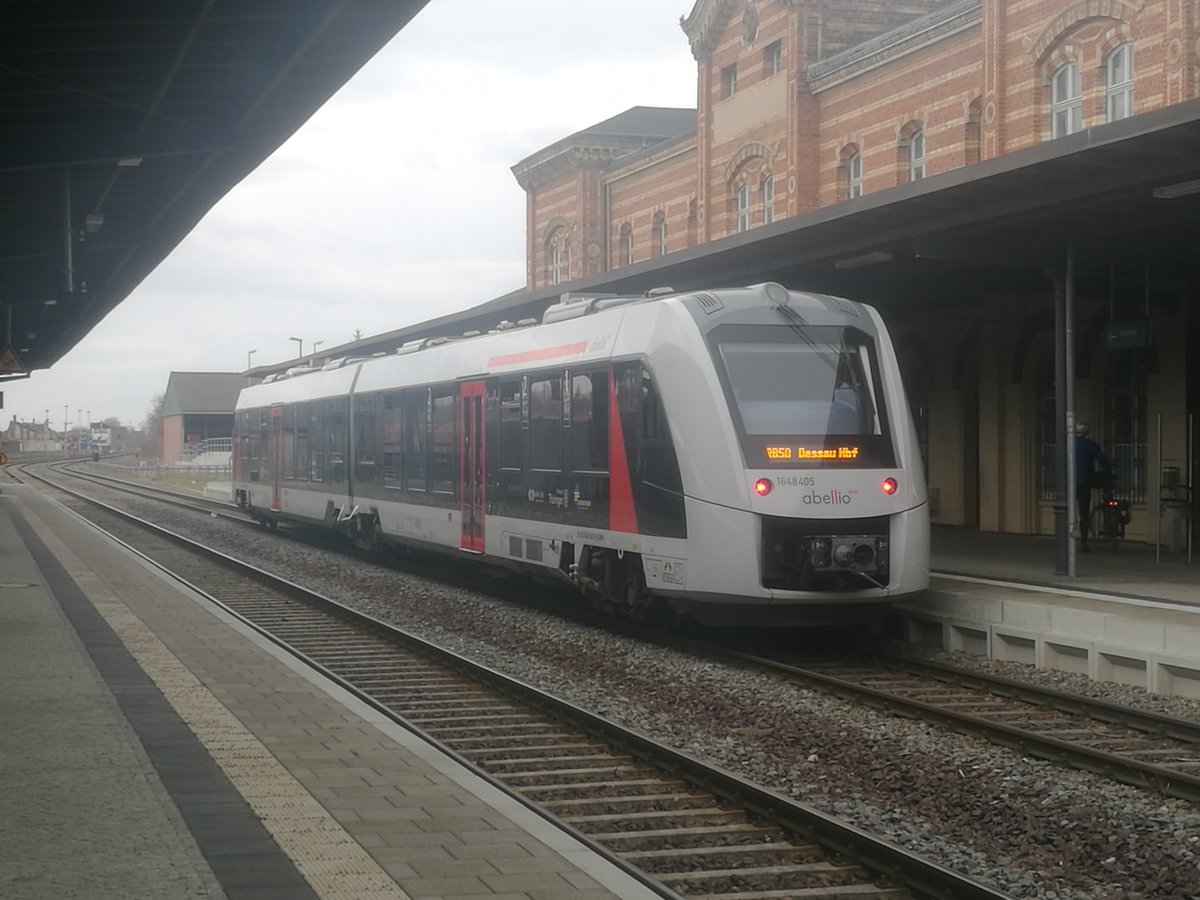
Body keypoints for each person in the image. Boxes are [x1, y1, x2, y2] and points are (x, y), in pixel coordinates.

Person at [1075, 421, 1112, 551]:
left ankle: (1065, 540)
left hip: (1069, 483)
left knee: (1065, 511)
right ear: (1086, 432)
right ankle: (1083, 543)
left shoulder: (1068, 445)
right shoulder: (1090, 446)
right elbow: (1102, 461)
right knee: (1083, 512)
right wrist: (1107, 476)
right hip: (1084, 482)